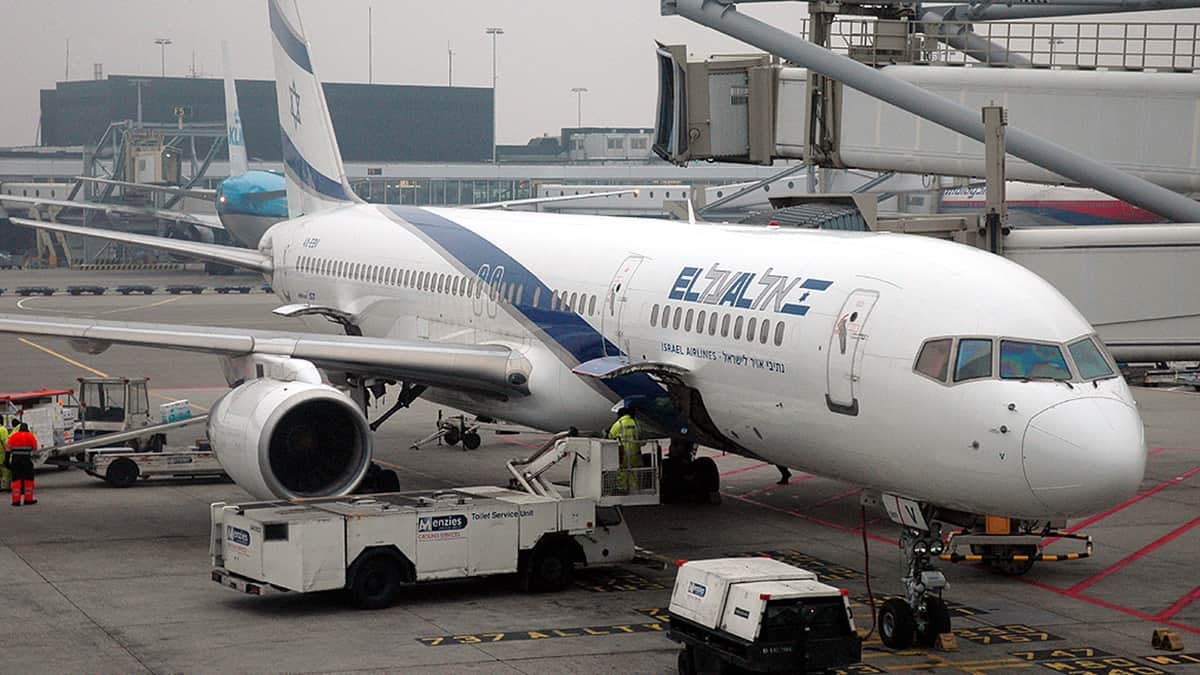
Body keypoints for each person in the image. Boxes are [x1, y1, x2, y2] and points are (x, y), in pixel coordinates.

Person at [608, 407, 642, 491]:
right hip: (635, 453)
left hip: (623, 453)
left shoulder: (618, 424)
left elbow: (610, 436)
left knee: (622, 472)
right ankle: (634, 491)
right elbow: (640, 436)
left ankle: (622, 490)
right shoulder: (635, 423)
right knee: (634, 472)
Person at [7, 422, 38, 506]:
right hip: (26, 460)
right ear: (27, 428)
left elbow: (8, 450)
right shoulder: (31, 436)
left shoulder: (13, 436)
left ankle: (16, 501)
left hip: (16, 460)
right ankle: (28, 499)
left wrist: (7, 462)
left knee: (16, 480)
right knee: (28, 479)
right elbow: (35, 449)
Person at [0, 418, 10, 491]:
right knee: (6, 471)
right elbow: (6, 443)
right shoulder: (2, 430)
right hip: (1, 455)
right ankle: (5, 486)